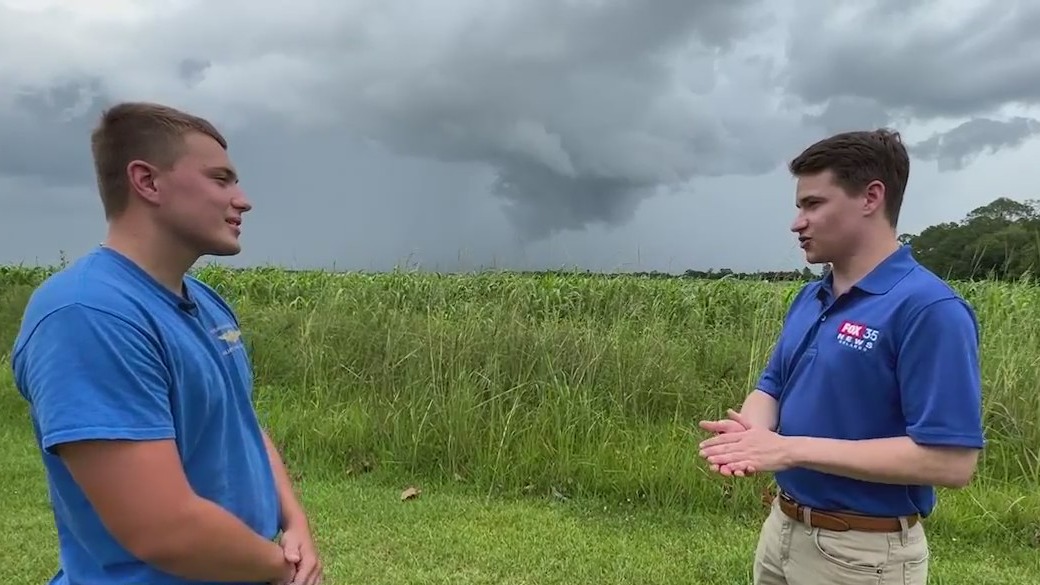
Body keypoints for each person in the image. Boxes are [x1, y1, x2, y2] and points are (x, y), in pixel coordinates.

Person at [11, 101, 322, 585]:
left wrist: (295, 522)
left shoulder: (205, 301)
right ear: (147, 181)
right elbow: (163, 528)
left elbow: (240, 423)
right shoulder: (87, 314)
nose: (243, 199)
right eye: (221, 179)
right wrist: (277, 569)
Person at [696, 129, 985, 584]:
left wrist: (788, 450)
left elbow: (950, 462)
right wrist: (751, 435)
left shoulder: (929, 310)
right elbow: (772, 385)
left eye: (813, 204)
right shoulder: (811, 298)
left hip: (862, 554)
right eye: (799, 206)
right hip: (782, 530)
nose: (797, 222)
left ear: (871, 197)